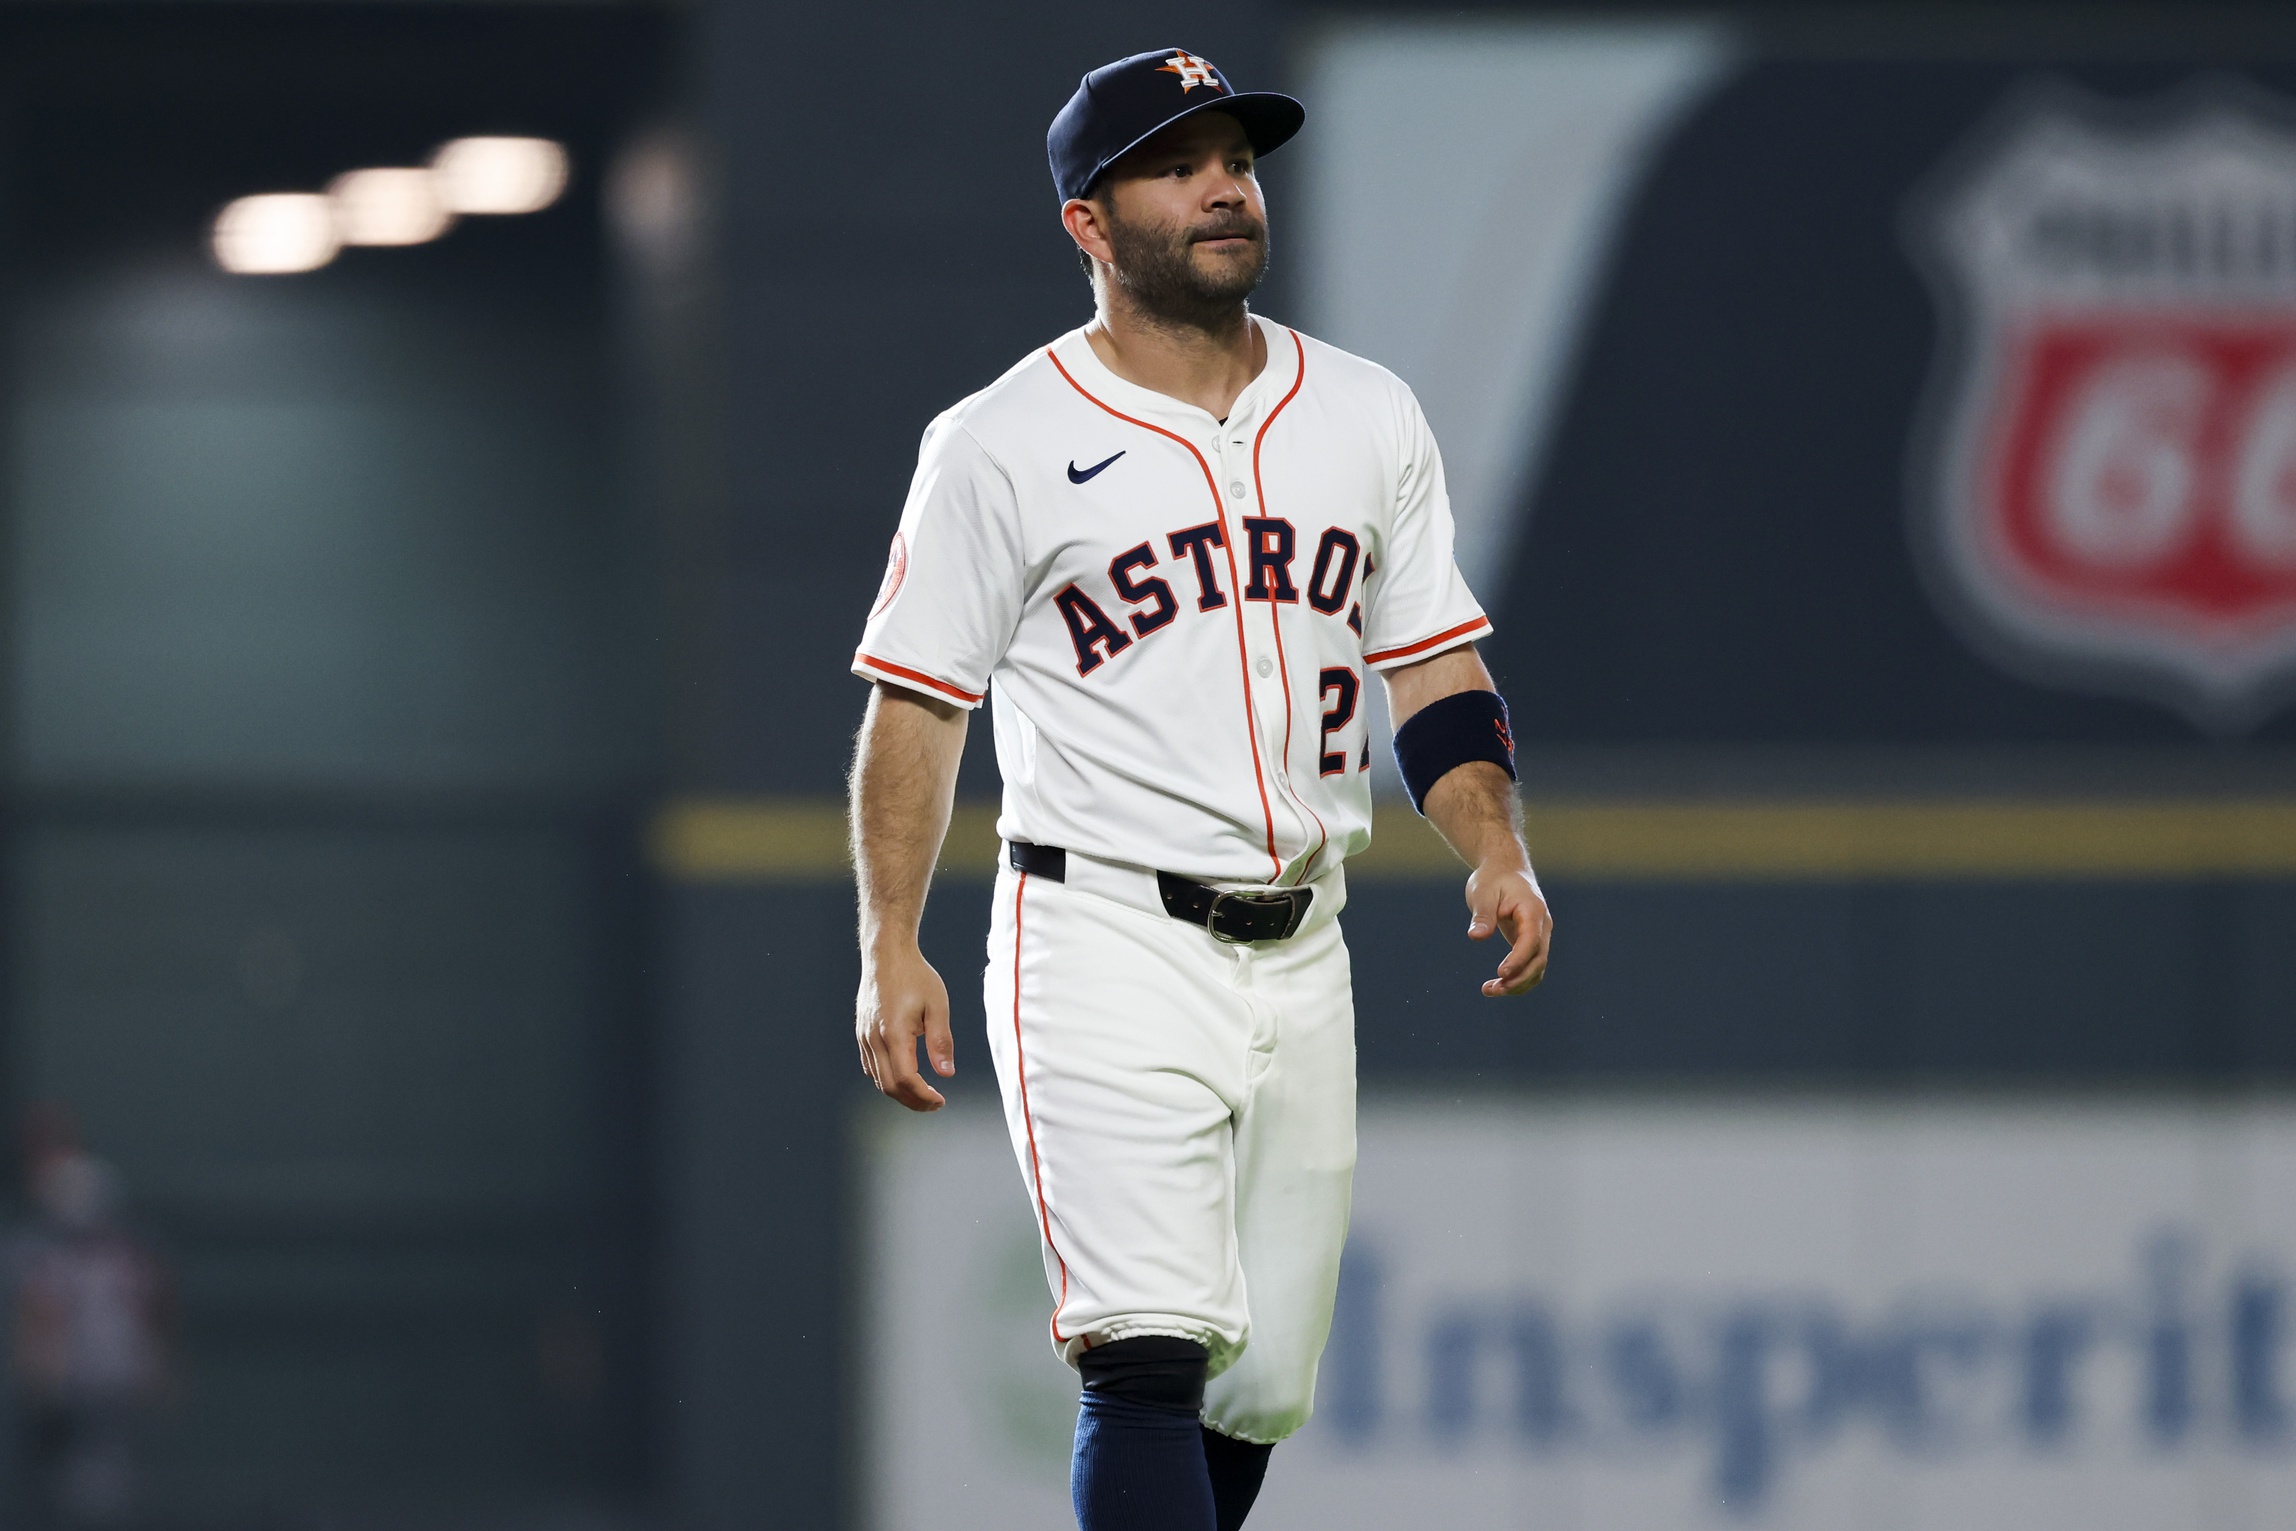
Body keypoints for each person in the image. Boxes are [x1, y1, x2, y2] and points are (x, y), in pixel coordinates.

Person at [848, 47, 1552, 1531]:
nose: (1225, 185)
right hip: (1097, 931)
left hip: (1306, 943)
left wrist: (1496, 842)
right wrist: (888, 937)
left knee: (1263, 1384)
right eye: (1176, 164)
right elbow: (917, 704)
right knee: (1147, 1353)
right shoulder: (999, 442)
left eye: (1234, 155)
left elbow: (1433, 670)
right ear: (1087, 226)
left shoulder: (1364, 413)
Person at [9, 1126, 172, 1531]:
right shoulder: (52, 1256)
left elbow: (152, 1309)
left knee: (105, 1470)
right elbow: (43, 1315)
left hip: (105, 1375)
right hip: (80, 1378)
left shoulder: (123, 1256)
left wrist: (157, 1362)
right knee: (74, 1470)